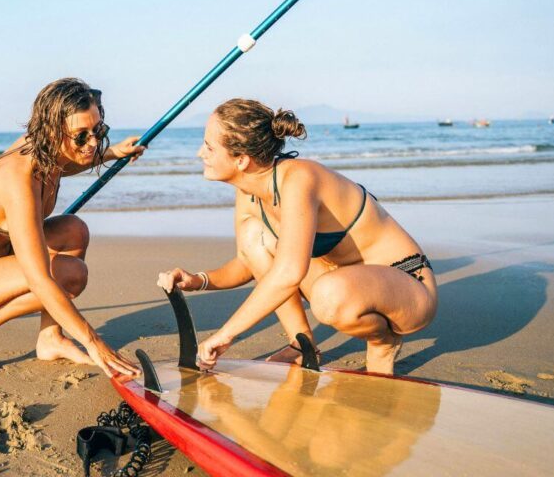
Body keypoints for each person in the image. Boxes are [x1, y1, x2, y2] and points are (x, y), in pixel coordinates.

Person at [157, 99, 437, 374]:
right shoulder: (249, 192)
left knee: (328, 296)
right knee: (256, 237)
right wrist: (198, 280)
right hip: (341, 279)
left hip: (405, 285)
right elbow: (248, 261)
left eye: (208, 146)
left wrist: (226, 334)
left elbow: (290, 271)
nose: (199, 153)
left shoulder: (299, 179)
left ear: (241, 160)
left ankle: (382, 342)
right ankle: (302, 345)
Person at [0, 78, 144, 377]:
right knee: (70, 274)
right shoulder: (18, 179)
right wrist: (94, 343)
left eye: (98, 130)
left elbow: (67, 163)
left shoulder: (47, 150)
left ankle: (50, 338)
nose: (92, 142)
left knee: (73, 230)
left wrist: (112, 153)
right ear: (52, 132)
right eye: (81, 136)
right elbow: (39, 278)